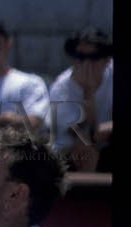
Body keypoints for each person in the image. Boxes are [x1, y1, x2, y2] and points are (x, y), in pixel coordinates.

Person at [47, 28, 112, 172]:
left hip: (106, 144)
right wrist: (89, 91)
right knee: (86, 148)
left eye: (94, 57)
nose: (87, 64)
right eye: (81, 57)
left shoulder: (114, 75)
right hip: (69, 152)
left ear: (107, 59)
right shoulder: (61, 87)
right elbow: (81, 132)